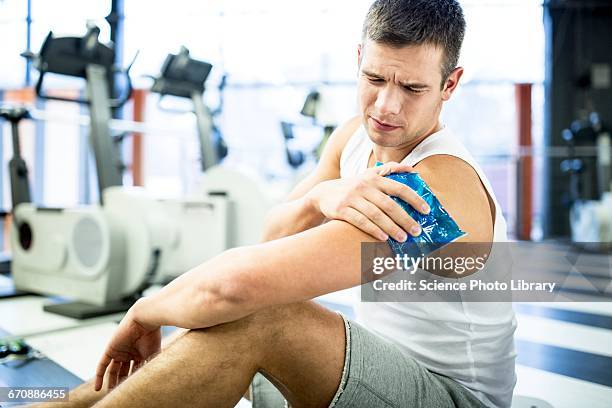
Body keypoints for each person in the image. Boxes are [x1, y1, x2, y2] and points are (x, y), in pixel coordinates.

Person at [35, 0, 516, 407]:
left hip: (453, 396)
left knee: (263, 314)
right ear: (358, 59)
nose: (386, 106)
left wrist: (145, 310)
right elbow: (272, 233)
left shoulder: (441, 186)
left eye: (412, 88)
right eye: (374, 79)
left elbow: (235, 287)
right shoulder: (353, 139)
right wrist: (323, 197)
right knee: (257, 306)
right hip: (381, 366)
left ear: (449, 85)